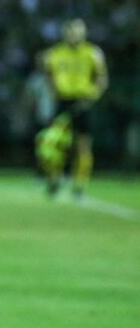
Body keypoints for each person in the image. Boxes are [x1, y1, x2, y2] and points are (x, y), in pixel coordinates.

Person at [40, 19, 109, 198]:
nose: (74, 34)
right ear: (65, 32)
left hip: (83, 101)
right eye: (71, 31)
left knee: (83, 145)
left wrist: (93, 96)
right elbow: (48, 74)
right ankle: (54, 180)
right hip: (62, 101)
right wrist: (53, 91)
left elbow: (102, 78)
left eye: (78, 31)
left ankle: (79, 185)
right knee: (53, 143)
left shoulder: (92, 53)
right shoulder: (55, 53)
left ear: (84, 32)